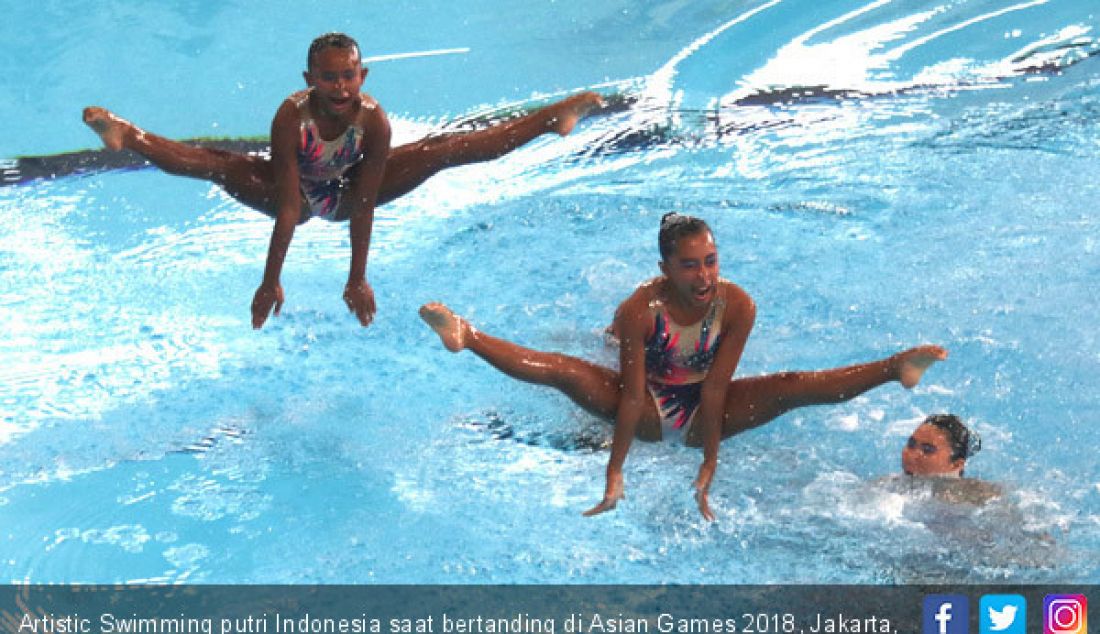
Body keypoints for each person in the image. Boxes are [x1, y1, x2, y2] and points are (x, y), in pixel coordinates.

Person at [419, 212, 948, 520]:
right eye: (690, 265)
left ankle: (895, 367)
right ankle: (469, 336)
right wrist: (616, 469)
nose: (704, 275)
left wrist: (709, 467)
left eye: (711, 260)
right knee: (566, 370)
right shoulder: (639, 311)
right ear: (665, 269)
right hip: (648, 408)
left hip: (702, 413)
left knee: (789, 386)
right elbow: (629, 397)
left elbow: (717, 390)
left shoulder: (737, 305)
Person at [82, 32, 603, 329]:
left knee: (441, 151)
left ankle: (550, 118)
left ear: (362, 76)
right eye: (328, 77)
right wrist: (270, 279)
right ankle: (130, 135)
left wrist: (357, 277)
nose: (339, 86)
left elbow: (365, 202)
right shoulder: (291, 117)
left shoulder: (372, 120)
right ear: (310, 81)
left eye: (348, 76)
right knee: (222, 165)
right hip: (292, 193)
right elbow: (289, 207)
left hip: (348, 192)